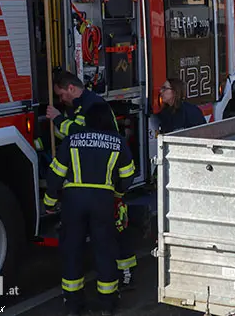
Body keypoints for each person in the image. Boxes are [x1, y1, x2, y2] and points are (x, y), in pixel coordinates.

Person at [43, 102, 136, 316]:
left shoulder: (72, 140)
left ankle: (74, 304)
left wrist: (49, 202)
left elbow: (56, 174)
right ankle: (107, 303)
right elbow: (128, 175)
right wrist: (118, 195)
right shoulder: (118, 142)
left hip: (73, 202)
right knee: (105, 250)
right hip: (103, 200)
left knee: (72, 250)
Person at [47, 71, 116, 138]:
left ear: (71, 89)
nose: (60, 100)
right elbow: (64, 135)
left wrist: (58, 118)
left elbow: (85, 136)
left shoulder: (96, 105)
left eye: (61, 95)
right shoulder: (75, 106)